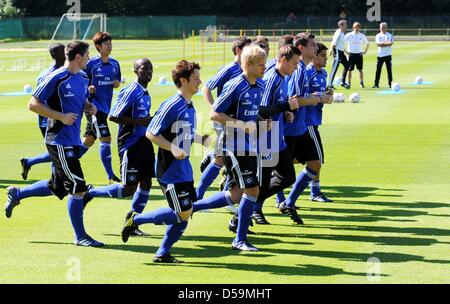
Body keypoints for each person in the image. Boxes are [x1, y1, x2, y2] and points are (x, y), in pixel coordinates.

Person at [5, 41, 103, 247]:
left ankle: (17, 193)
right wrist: (60, 116)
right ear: (78, 57)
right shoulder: (56, 77)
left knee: (57, 186)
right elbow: (32, 104)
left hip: (72, 139)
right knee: (78, 188)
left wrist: (88, 107)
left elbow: (80, 99)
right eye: (87, 55)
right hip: (58, 140)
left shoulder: (84, 77)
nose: (89, 58)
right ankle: (81, 237)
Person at [121, 60, 211, 263]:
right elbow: (151, 133)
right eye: (196, 79)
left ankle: (162, 253)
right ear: (183, 80)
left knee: (185, 214)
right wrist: (172, 148)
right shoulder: (172, 104)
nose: (200, 82)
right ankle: (136, 219)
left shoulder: (189, 105)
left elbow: (182, 132)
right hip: (169, 170)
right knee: (183, 212)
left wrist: (200, 139)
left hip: (184, 169)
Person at [82, 58, 154, 237]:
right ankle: (91, 192)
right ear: (136, 70)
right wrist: (140, 121)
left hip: (144, 142)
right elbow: (113, 116)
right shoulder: (130, 91)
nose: (149, 72)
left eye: (150, 68)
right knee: (128, 188)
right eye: (144, 68)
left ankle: (132, 222)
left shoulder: (146, 92)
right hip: (130, 143)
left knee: (146, 182)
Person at [210, 44, 268, 251]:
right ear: (249, 64)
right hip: (232, 145)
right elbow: (215, 114)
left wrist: (261, 121)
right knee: (252, 189)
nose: (264, 68)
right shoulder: (235, 85)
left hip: (249, 145)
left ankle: (192, 207)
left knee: (238, 193)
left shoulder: (260, 86)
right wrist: (242, 125)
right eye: (261, 65)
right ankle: (239, 240)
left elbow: (250, 114)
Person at [276, 33, 333, 224]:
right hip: (293, 128)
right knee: (280, 171)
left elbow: (301, 97)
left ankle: (288, 201)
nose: (316, 49)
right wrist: (319, 98)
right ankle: (254, 207)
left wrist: (319, 95)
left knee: (314, 163)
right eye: (312, 46)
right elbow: (295, 100)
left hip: (300, 127)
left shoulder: (302, 69)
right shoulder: (299, 70)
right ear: (301, 48)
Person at [251, 44, 301, 224]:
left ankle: (249, 207)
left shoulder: (284, 78)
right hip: (265, 137)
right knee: (263, 181)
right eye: (294, 64)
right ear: (283, 60)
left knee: (287, 176)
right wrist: (286, 107)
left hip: (276, 137)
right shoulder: (272, 78)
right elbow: (262, 110)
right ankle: (249, 209)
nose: (296, 68)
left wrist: (286, 112)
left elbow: (278, 104)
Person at [196, 36, 251, 201]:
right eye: (248, 49)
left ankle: (228, 190)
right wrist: (214, 107)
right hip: (224, 120)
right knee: (221, 158)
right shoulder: (229, 69)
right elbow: (207, 87)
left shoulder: (248, 69)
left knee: (235, 156)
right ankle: (198, 196)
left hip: (240, 122)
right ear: (239, 51)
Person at [78, 32, 122, 183]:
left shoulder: (115, 64)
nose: (109, 46)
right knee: (106, 138)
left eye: (110, 43)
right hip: (92, 107)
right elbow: (79, 80)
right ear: (98, 47)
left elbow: (117, 81)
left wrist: (116, 83)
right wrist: (88, 89)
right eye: (106, 44)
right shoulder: (90, 64)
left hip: (105, 107)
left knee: (88, 140)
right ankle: (110, 176)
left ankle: (61, 162)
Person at [20, 43, 65, 180]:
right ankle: (55, 180)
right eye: (64, 50)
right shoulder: (49, 74)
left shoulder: (63, 71)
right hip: (49, 119)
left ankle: (30, 163)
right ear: (55, 55)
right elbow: (40, 100)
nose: (67, 52)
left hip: (55, 117)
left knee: (57, 150)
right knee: (57, 150)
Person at [306, 43, 334, 202]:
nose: (325, 59)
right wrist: (319, 96)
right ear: (314, 55)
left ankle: (314, 191)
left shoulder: (323, 73)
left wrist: (328, 95)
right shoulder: (307, 73)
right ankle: (314, 191)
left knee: (309, 158)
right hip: (307, 121)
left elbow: (321, 94)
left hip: (316, 119)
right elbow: (301, 95)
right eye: (322, 56)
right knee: (316, 158)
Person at [344, 22, 369, 88]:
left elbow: (367, 43)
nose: (356, 29)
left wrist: (365, 51)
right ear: (353, 27)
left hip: (359, 55)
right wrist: (346, 51)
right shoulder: (349, 35)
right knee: (349, 70)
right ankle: (349, 83)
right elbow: (342, 42)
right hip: (351, 55)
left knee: (360, 69)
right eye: (355, 27)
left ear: (359, 28)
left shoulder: (362, 35)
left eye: (357, 27)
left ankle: (361, 83)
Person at [327, 20, 350, 89]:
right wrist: (333, 50)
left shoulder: (342, 33)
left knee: (347, 65)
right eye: (345, 25)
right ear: (341, 26)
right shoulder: (338, 32)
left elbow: (341, 45)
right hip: (337, 52)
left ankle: (343, 82)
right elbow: (334, 42)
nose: (346, 26)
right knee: (335, 68)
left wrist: (346, 51)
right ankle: (330, 84)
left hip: (341, 53)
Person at [373, 22, 394, 89]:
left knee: (389, 70)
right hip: (380, 55)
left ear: (386, 28)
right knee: (378, 70)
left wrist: (383, 44)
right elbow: (378, 44)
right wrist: (386, 44)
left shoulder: (390, 35)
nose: (382, 28)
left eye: (384, 27)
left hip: (388, 55)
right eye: (381, 27)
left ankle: (390, 84)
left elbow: (390, 43)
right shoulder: (378, 35)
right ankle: (376, 84)